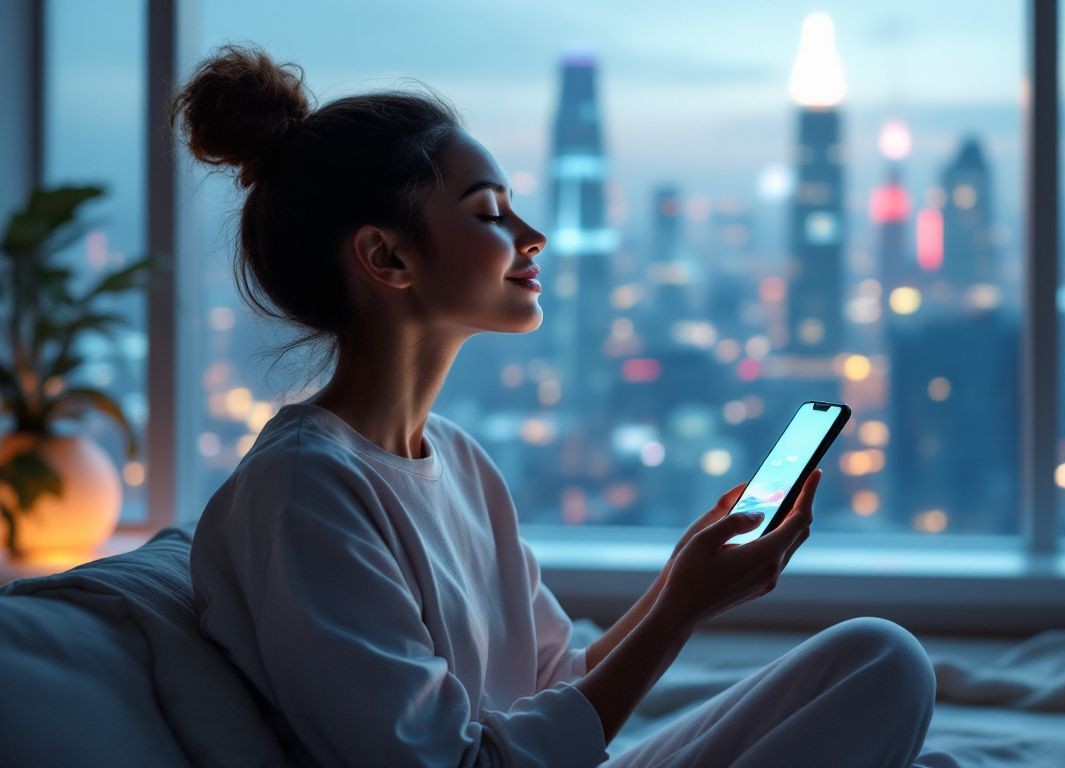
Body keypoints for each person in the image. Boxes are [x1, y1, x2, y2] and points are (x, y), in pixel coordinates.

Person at [179, 44, 942, 767]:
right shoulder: (306, 490)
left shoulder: (458, 460)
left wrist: (679, 586)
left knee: (881, 658)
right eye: (489, 214)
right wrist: (676, 613)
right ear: (387, 256)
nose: (533, 237)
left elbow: (557, 683)